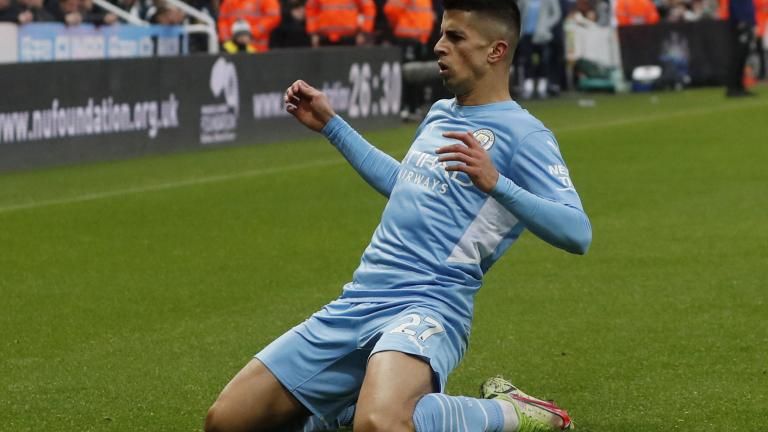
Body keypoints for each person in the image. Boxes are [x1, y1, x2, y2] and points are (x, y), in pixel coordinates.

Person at [204, 0, 591, 430]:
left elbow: (578, 233)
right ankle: (346, 414)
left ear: (495, 51)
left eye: (456, 37)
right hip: (361, 297)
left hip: (431, 305)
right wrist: (333, 125)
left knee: (381, 423)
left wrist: (498, 183)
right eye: (442, 34)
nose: (439, 47)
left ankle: (511, 413)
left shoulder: (527, 135)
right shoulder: (441, 114)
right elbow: (405, 185)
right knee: (227, 421)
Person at [720, 0, 758, 96]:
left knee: (742, 57)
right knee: (737, 57)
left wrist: (752, 23)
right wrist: (742, 22)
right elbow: (737, 7)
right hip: (739, 25)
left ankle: (740, 86)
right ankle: (732, 88)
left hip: (746, 24)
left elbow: (749, 8)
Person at [305, 0, 376, 46]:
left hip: (350, 37)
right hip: (324, 37)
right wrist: (313, 33)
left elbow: (368, 8)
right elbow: (311, 10)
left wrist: (364, 32)